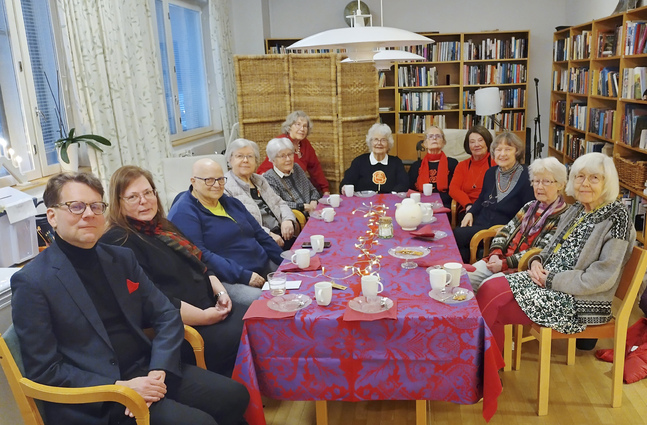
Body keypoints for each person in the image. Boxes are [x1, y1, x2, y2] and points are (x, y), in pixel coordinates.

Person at [10, 172, 249, 425]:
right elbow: (45, 370)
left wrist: (159, 369)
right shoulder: (33, 281)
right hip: (95, 397)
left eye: (95, 206)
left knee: (234, 396)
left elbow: (166, 314)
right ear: (52, 217)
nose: (88, 214)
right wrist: (120, 388)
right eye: (76, 206)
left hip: (149, 371)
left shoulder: (120, 259)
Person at [476, 153, 635, 352]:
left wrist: (551, 280)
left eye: (594, 177)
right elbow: (551, 246)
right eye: (579, 176)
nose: (585, 183)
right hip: (547, 283)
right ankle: (486, 370)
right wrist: (536, 260)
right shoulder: (577, 208)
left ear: (607, 182)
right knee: (488, 288)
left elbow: (602, 277)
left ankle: (479, 371)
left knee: (491, 302)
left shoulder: (617, 217)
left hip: (576, 302)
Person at [102, 165, 246, 378]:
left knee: (258, 317)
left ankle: (257, 391)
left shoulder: (161, 226)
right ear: (118, 203)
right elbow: (153, 299)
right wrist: (205, 317)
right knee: (247, 328)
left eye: (148, 193)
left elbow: (201, 262)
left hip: (210, 305)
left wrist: (220, 293)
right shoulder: (119, 241)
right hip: (183, 328)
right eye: (133, 197)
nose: (144, 201)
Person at [168, 158, 283, 306]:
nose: (217, 185)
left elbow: (260, 234)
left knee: (298, 282)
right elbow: (200, 254)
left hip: (262, 264)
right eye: (209, 180)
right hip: (228, 279)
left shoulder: (231, 202)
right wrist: (244, 275)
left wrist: (285, 262)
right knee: (267, 303)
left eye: (221, 179)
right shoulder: (184, 213)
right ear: (194, 181)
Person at [468, 157, 570, 290]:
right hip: (501, 259)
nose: (539, 187)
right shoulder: (530, 207)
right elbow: (505, 231)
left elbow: (540, 251)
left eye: (546, 181)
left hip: (522, 268)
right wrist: (495, 253)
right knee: (466, 277)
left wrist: (504, 263)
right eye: (536, 181)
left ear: (560, 185)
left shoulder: (563, 216)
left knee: (487, 288)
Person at [453, 131, 535, 263]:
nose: (502, 154)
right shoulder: (491, 173)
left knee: (457, 235)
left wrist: (508, 228)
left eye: (508, 149)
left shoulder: (527, 176)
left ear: (517, 151)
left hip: (502, 230)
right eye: (498, 150)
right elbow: (481, 198)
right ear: (493, 153)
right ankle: (466, 271)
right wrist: (470, 212)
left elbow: (529, 212)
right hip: (482, 223)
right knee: (460, 238)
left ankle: (464, 270)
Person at [224, 138, 297, 249]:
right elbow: (239, 222)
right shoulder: (225, 186)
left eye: (250, 156)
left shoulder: (259, 180)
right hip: (260, 242)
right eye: (239, 156)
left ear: (256, 161)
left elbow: (279, 202)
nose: (245, 160)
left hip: (282, 234)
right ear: (230, 159)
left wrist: (287, 220)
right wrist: (267, 234)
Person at [256, 110, 330, 195]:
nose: (302, 129)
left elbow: (315, 168)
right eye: (298, 124)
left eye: (305, 126)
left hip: (299, 189)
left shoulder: (305, 144)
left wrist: (325, 190)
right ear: (289, 126)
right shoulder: (281, 143)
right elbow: (264, 171)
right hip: (283, 191)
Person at [340, 123, 409, 193]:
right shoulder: (359, 161)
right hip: (363, 202)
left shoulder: (396, 162)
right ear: (370, 142)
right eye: (376, 139)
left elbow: (404, 184)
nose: (379, 143)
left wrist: (392, 195)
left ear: (389, 144)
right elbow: (347, 181)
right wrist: (345, 187)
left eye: (383, 140)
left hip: (389, 202)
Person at [262, 137, 321, 215]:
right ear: (273, 160)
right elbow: (276, 204)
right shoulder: (269, 178)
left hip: (313, 213)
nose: (288, 159)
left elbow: (312, 190)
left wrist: (314, 201)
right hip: (295, 219)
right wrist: (302, 207)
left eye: (290, 154)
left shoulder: (296, 168)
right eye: (282, 156)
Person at [408, 125, 458, 208]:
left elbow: (455, 190)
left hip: (444, 206)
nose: (434, 138)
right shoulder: (416, 166)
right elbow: (410, 191)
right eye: (430, 136)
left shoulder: (452, 163)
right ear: (425, 143)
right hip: (420, 206)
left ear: (444, 142)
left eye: (438, 136)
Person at [448, 125, 494, 213]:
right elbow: (453, 189)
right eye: (472, 142)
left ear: (487, 143)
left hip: (489, 209)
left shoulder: (495, 163)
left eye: (480, 140)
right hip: (467, 208)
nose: (476, 145)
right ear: (468, 146)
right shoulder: (462, 165)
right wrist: (468, 204)